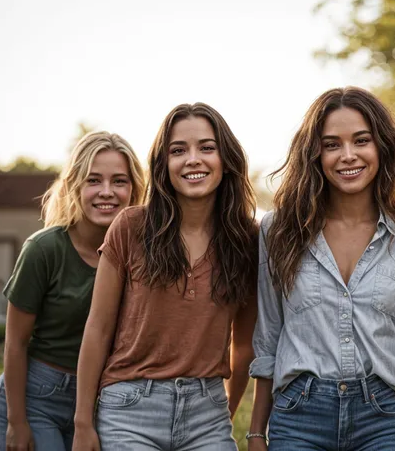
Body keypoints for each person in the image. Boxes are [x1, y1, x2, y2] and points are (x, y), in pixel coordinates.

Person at [247, 87, 395, 451]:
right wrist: (257, 432)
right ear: (315, 154)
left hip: (386, 418)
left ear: (381, 147)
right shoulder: (279, 231)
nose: (348, 155)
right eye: (332, 144)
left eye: (361, 140)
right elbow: (269, 337)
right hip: (299, 417)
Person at [72, 103, 258, 451]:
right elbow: (97, 329)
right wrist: (83, 422)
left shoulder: (247, 239)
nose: (193, 159)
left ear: (226, 159)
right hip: (129, 410)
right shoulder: (130, 227)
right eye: (178, 150)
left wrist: (225, 413)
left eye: (206, 147)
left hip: (208, 414)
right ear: (163, 164)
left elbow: (244, 344)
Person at [0, 131, 145, 451]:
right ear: (75, 185)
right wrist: (18, 423)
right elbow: (15, 343)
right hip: (34, 399)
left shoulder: (142, 255)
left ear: (134, 189)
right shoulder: (44, 249)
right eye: (93, 180)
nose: (106, 192)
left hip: (97, 402)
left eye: (119, 181)